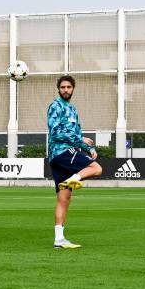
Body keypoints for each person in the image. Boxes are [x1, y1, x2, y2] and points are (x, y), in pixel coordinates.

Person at [47, 75, 102, 249]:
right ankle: (74, 179)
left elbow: (78, 134)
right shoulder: (55, 106)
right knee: (96, 168)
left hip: (64, 155)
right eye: (62, 87)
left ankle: (59, 239)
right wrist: (80, 140)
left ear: (73, 89)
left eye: (68, 87)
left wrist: (88, 148)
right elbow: (55, 133)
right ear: (58, 89)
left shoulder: (73, 110)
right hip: (61, 152)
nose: (65, 90)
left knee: (64, 198)